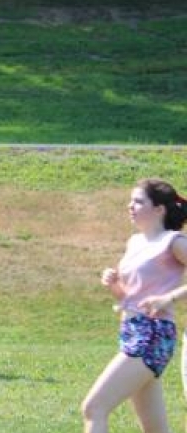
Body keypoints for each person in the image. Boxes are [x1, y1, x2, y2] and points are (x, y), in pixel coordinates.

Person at [81, 179, 187, 433]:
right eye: (131, 201)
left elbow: (158, 299)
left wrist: (168, 298)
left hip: (153, 335)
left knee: (94, 408)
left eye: (139, 201)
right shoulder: (134, 242)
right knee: (155, 429)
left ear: (159, 209)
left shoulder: (174, 241)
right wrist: (114, 283)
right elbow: (127, 298)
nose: (131, 206)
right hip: (131, 330)